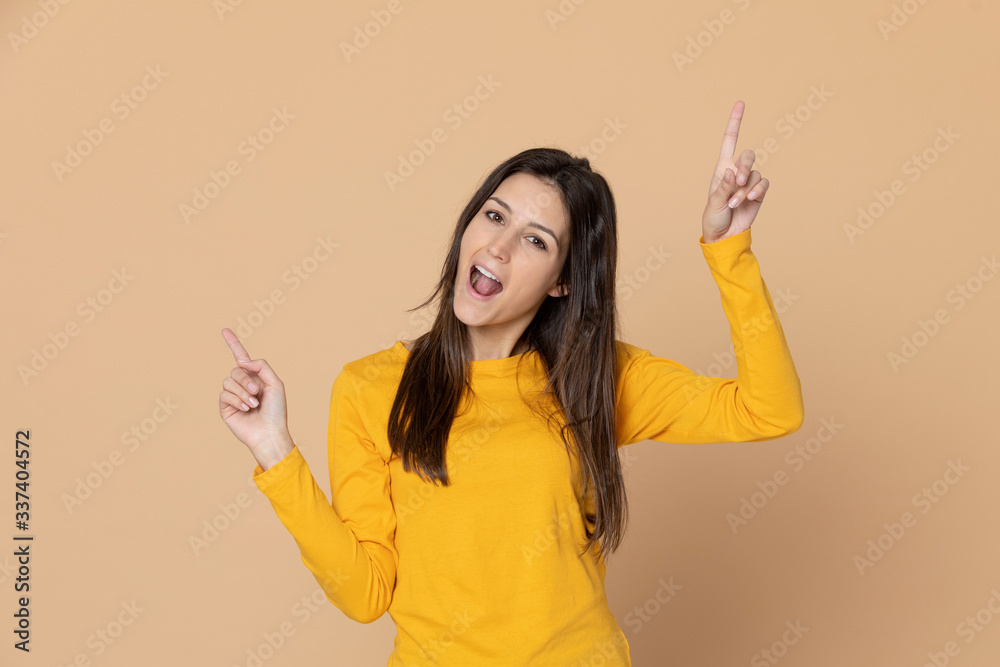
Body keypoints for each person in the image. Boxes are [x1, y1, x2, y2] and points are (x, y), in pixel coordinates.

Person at [218, 100, 804, 666]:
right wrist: (275, 451)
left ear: (562, 282)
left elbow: (769, 409)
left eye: (535, 240)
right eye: (495, 216)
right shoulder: (370, 387)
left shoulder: (594, 375)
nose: (498, 247)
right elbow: (364, 593)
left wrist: (729, 252)